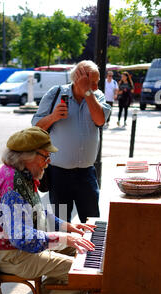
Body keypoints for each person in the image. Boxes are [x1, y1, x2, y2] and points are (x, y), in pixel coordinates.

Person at [0, 126, 95, 294]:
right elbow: (22, 238)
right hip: (12, 255)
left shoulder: (21, 174)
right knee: (85, 275)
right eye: (46, 156)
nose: (49, 161)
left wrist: (69, 228)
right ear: (27, 157)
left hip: (16, 249)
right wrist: (62, 238)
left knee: (77, 249)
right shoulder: (13, 185)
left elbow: (39, 213)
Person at [31, 60, 111, 224]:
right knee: (60, 223)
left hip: (86, 173)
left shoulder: (97, 96)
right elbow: (36, 126)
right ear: (78, 79)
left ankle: (90, 250)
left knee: (92, 221)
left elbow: (100, 120)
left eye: (97, 83)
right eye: (92, 83)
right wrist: (53, 117)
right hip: (59, 173)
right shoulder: (55, 93)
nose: (96, 87)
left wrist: (88, 91)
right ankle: (62, 251)